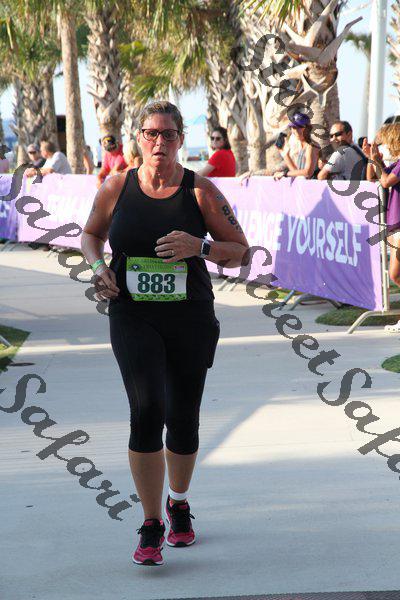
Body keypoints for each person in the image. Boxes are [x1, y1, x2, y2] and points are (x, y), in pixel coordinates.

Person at [81, 100, 249, 566]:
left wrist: (202, 247)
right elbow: (90, 235)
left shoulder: (201, 192)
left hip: (189, 316)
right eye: (151, 134)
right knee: (146, 410)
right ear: (138, 138)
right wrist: (97, 267)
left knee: (183, 416)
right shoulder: (116, 186)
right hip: (132, 314)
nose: (159, 142)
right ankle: (152, 522)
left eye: (168, 134)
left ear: (181, 140)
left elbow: (242, 250)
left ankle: (179, 502)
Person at [364, 123, 400, 332]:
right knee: (395, 274)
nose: (383, 146)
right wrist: (372, 159)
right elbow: (373, 177)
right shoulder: (397, 164)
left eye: (384, 142)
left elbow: (385, 182)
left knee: (395, 274)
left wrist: (376, 160)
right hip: (395, 225)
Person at [273, 113, 319, 180]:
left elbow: (308, 173)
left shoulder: (311, 146)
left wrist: (284, 173)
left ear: (308, 128)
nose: (296, 131)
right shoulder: (300, 145)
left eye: (300, 127)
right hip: (304, 185)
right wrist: (285, 155)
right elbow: (297, 173)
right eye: (294, 127)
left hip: (314, 185)